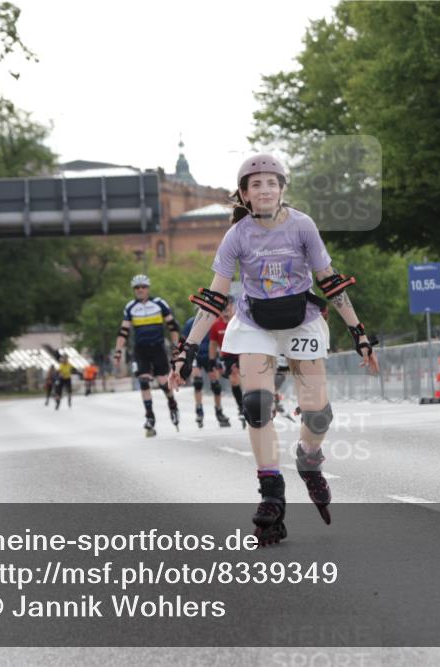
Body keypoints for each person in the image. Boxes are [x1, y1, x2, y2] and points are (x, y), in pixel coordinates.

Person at [169, 153, 379, 546]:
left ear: (282, 189)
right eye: (255, 185)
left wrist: (359, 333)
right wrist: (187, 350)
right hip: (254, 323)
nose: (264, 190)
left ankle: (309, 460)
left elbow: (330, 281)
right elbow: (214, 297)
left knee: (318, 414)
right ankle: (271, 494)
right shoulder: (237, 235)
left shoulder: (303, 226)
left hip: (300, 318)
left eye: (271, 183)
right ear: (245, 196)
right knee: (257, 406)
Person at [115, 274, 182, 437]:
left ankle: (172, 404)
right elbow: (123, 331)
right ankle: (150, 417)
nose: (140, 290)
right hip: (140, 349)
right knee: (143, 381)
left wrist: (176, 347)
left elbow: (173, 326)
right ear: (134, 290)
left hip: (158, 347)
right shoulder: (130, 307)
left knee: (162, 382)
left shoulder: (159, 303)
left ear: (148, 288)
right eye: (137, 288)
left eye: (143, 287)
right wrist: (117, 351)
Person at [181, 313, 230, 428]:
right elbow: (183, 340)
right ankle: (199, 410)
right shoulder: (190, 322)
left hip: (210, 355)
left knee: (215, 385)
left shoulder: (213, 322)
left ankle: (219, 411)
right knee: (197, 382)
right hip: (195, 355)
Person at [207, 301, 245, 428]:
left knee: (241, 379)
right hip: (227, 356)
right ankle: (241, 407)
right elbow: (212, 344)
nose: (225, 311)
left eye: (227, 308)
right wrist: (211, 360)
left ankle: (250, 402)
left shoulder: (239, 321)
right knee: (234, 380)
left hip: (242, 353)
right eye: (222, 309)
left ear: (232, 307)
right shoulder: (216, 325)